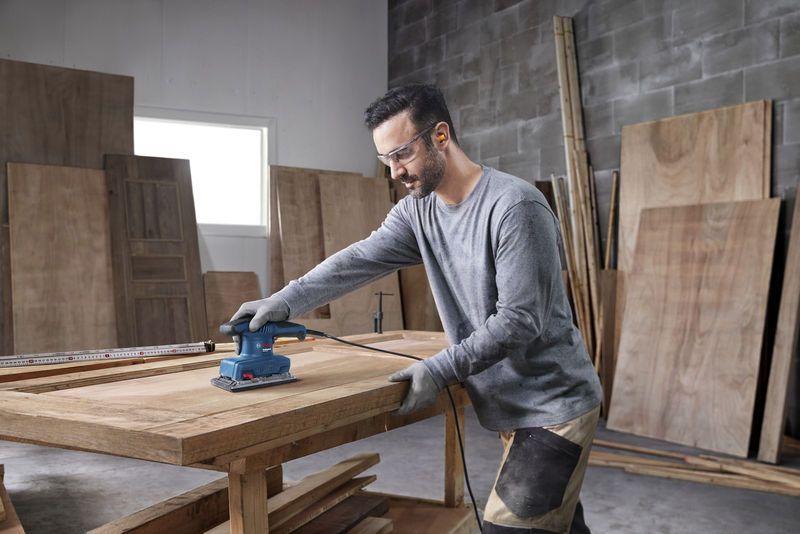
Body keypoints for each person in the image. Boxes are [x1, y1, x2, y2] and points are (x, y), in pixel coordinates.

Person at [232, 84, 603, 534]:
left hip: (554, 405)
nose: (394, 171)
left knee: (512, 528)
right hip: (511, 407)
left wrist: (440, 368)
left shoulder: (514, 207)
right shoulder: (417, 212)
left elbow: (519, 320)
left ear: (441, 136)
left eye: (402, 154)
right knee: (558, 522)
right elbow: (357, 260)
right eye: (386, 160)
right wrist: (282, 300)